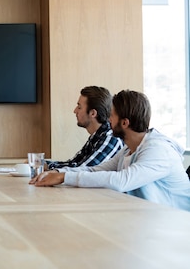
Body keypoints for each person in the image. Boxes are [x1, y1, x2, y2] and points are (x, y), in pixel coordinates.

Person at [30, 90, 190, 210]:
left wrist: (65, 178)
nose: (108, 120)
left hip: (176, 224)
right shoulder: (130, 149)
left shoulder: (159, 150)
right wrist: (59, 174)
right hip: (148, 220)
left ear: (125, 123)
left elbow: (121, 181)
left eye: (112, 116)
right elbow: (94, 170)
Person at [46, 86, 123, 170]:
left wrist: (48, 167)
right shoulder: (96, 136)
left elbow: (82, 170)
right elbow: (73, 163)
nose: (75, 111)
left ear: (93, 113)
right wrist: (43, 163)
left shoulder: (110, 138)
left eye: (79, 107)